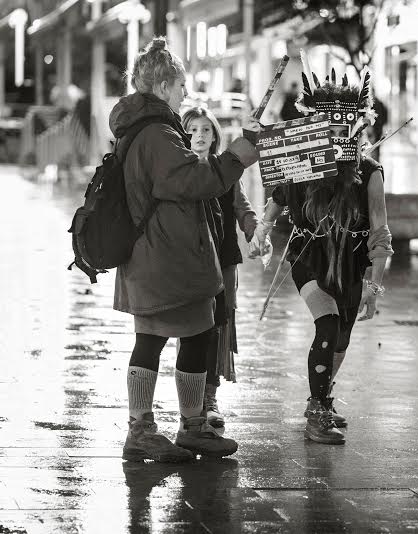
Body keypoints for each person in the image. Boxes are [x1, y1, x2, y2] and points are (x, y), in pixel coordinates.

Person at [111, 37, 259, 462]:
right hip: (165, 256)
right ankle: (149, 429)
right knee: (164, 338)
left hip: (158, 255)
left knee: (193, 334)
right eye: (179, 86)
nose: (184, 95)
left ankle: (185, 426)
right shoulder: (157, 133)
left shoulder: (143, 129)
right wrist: (237, 157)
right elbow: (194, 181)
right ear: (161, 87)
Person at [252, 64, 393, 445]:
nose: (336, 133)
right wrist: (262, 233)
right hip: (308, 258)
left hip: (352, 262)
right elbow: (277, 199)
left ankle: (322, 398)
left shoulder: (369, 170)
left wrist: (374, 286)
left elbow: (380, 232)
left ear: (358, 125)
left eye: (344, 126)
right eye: (328, 126)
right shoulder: (302, 160)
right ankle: (317, 409)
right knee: (327, 325)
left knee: (341, 339)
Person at [181, 106, 259, 433]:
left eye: (206, 130)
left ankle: (209, 400)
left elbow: (242, 208)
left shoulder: (226, 172)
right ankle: (190, 402)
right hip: (187, 263)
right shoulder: (178, 171)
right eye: (192, 130)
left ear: (215, 136)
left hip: (224, 261)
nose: (199, 136)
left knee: (217, 327)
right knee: (192, 332)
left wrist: (256, 232)